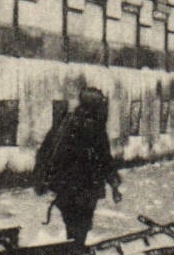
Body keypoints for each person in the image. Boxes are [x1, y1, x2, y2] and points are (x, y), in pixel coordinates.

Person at [34, 87, 122, 246]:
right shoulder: (95, 127)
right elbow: (105, 158)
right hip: (86, 185)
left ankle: (73, 246)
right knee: (82, 223)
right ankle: (77, 250)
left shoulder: (65, 122)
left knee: (72, 220)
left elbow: (46, 149)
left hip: (64, 184)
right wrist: (114, 183)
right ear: (94, 106)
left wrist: (42, 177)